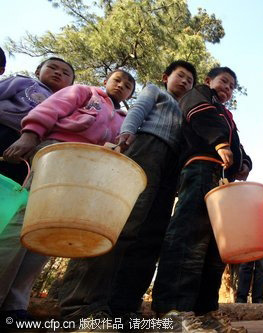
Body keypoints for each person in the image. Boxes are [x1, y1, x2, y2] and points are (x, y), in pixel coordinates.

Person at [58, 61, 196, 324]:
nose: (186, 82)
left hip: (170, 165)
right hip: (145, 147)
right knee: (120, 221)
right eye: (181, 76)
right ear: (166, 76)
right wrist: (127, 134)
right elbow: (138, 111)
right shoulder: (156, 91)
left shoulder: (185, 109)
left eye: (190, 80)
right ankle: (82, 307)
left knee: (150, 234)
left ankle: (123, 306)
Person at [0, 69, 134, 328]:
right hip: (54, 154)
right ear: (106, 81)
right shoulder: (84, 92)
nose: (121, 86)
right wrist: (31, 134)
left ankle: (16, 305)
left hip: (86, 171)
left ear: (130, 94)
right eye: (118, 80)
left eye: (128, 85)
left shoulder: (122, 119)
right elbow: (53, 107)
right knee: (23, 221)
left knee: (50, 233)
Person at [151, 67, 251, 333]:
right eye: (223, 81)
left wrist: (244, 162)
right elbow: (200, 116)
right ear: (209, 81)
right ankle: (172, 311)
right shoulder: (199, 95)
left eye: (232, 86)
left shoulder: (225, 114)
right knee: (189, 234)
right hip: (201, 168)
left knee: (216, 247)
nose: (227, 88)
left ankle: (204, 312)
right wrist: (219, 142)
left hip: (222, 179)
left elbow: (237, 145)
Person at [0, 57, 75, 185]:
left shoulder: (68, 106)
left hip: (29, 148)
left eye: (65, 73)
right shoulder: (23, 82)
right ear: (37, 71)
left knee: (11, 182)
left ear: (70, 85)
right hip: (4, 127)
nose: (58, 73)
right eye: (52, 68)